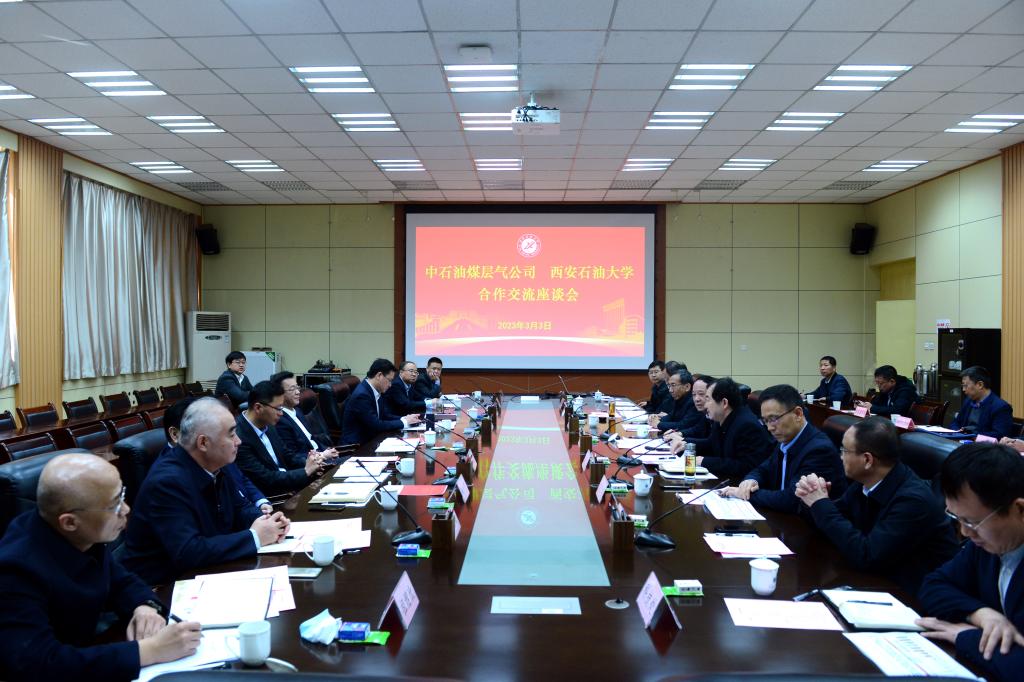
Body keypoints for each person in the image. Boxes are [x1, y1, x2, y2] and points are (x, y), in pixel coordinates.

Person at [0, 454, 201, 680]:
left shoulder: (80, 532)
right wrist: (149, 651)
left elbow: (121, 581)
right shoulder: (14, 571)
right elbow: (40, 663)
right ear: (70, 522)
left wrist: (145, 606)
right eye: (114, 506)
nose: (126, 509)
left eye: (122, 495)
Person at [121, 398, 291, 585]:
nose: (239, 441)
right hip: (165, 586)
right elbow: (188, 552)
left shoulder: (216, 464)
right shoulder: (166, 483)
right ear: (203, 443)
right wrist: (255, 537)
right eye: (231, 434)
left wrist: (268, 523)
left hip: (208, 570)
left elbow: (239, 508)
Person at [796, 417, 958, 595]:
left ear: (867, 460)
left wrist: (821, 504)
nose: (840, 456)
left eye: (844, 450)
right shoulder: (865, 482)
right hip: (875, 581)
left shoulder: (913, 501)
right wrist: (811, 499)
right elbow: (833, 523)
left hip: (913, 595)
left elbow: (867, 556)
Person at [916, 443, 1024, 680]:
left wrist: (965, 637)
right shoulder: (987, 544)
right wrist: (980, 613)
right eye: (957, 518)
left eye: (972, 522)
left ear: (1019, 509)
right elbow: (933, 585)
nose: (965, 532)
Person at [721, 384, 845, 513]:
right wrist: (750, 480)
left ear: (798, 414)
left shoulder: (819, 450)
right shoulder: (786, 438)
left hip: (806, 522)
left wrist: (745, 494)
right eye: (765, 421)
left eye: (773, 419)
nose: (769, 428)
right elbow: (764, 468)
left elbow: (792, 499)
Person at [162, 397, 271, 514]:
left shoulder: (215, 453)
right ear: (175, 434)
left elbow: (240, 484)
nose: (238, 441)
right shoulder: (169, 481)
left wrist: (260, 505)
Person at [234, 381, 327, 497]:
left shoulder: (268, 424)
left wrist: (311, 462)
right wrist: (305, 471)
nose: (281, 414)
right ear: (258, 407)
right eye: (278, 408)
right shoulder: (238, 438)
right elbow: (266, 478)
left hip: (290, 486)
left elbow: (288, 456)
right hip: (273, 497)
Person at [690, 377, 775, 481]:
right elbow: (711, 444)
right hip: (725, 480)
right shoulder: (720, 419)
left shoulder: (746, 425)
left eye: (708, 399)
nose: (705, 405)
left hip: (741, 484)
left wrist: (705, 461)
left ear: (724, 403)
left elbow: (746, 466)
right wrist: (686, 444)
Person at [341, 359, 422, 446]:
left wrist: (404, 418)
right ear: (379, 375)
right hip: (358, 446)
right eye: (389, 380)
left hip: (372, 439)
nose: (390, 385)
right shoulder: (362, 395)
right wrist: (404, 423)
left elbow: (384, 415)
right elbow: (376, 425)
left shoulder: (374, 390)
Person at [270, 371, 335, 453]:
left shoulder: (298, 411)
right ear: (279, 393)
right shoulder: (280, 420)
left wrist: (327, 450)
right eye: (292, 389)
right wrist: (322, 455)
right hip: (310, 459)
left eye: (297, 387)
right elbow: (293, 454)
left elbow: (312, 438)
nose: (298, 392)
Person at [950, 366, 1014, 439]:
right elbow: (955, 422)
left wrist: (971, 435)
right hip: (962, 440)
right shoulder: (968, 401)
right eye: (963, 386)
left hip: (981, 444)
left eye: (966, 386)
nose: (963, 389)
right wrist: (957, 431)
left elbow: (1000, 435)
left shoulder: (1001, 407)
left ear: (980, 385)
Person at [657, 369, 705, 438]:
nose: (670, 390)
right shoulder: (679, 399)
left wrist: (659, 424)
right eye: (669, 386)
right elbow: (672, 416)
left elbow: (684, 425)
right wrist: (657, 419)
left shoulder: (693, 402)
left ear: (687, 387)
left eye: (673, 385)